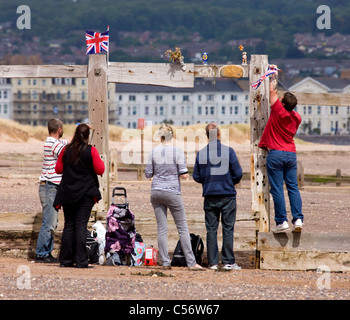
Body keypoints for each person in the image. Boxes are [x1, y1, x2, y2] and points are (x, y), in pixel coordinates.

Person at [145, 124, 202, 269]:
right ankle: (191, 262)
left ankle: (165, 261)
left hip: (156, 191)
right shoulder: (177, 151)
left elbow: (147, 174)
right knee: (182, 227)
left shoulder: (153, 152)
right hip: (172, 191)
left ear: (161, 137)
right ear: (172, 136)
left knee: (161, 228)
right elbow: (183, 175)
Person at [258, 66, 304, 233]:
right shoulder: (296, 117)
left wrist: (273, 75)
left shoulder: (278, 111)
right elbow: (277, 96)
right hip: (291, 154)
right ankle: (298, 219)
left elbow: (272, 91)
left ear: (283, 104)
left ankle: (281, 222)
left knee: (277, 188)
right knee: (293, 187)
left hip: (276, 153)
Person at [53, 123, 105, 268]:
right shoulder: (91, 150)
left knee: (69, 225)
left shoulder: (66, 149)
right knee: (81, 225)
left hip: (68, 192)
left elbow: (58, 169)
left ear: (75, 134)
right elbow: (100, 169)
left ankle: (66, 260)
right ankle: (81, 260)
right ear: (88, 136)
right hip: (85, 193)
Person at [193, 123, 243, 270]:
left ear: (207, 136)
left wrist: (208, 180)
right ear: (219, 134)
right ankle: (228, 261)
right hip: (227, 194)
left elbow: (196, 176)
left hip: (210, 195)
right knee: (228, 229)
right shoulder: (229, 151)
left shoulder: (202, 153)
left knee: (211, 230)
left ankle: (213, 262)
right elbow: (238, 173)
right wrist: (230, 181)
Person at [36, 119, 67, 263]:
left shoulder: (53, 142)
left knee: (52, 222)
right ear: (59, 129)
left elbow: (67, 143)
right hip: (49, 187)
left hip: (50, 186)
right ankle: (42, 253)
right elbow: (66, 152)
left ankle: (46, 252)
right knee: (49, 223)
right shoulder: (52, 144)